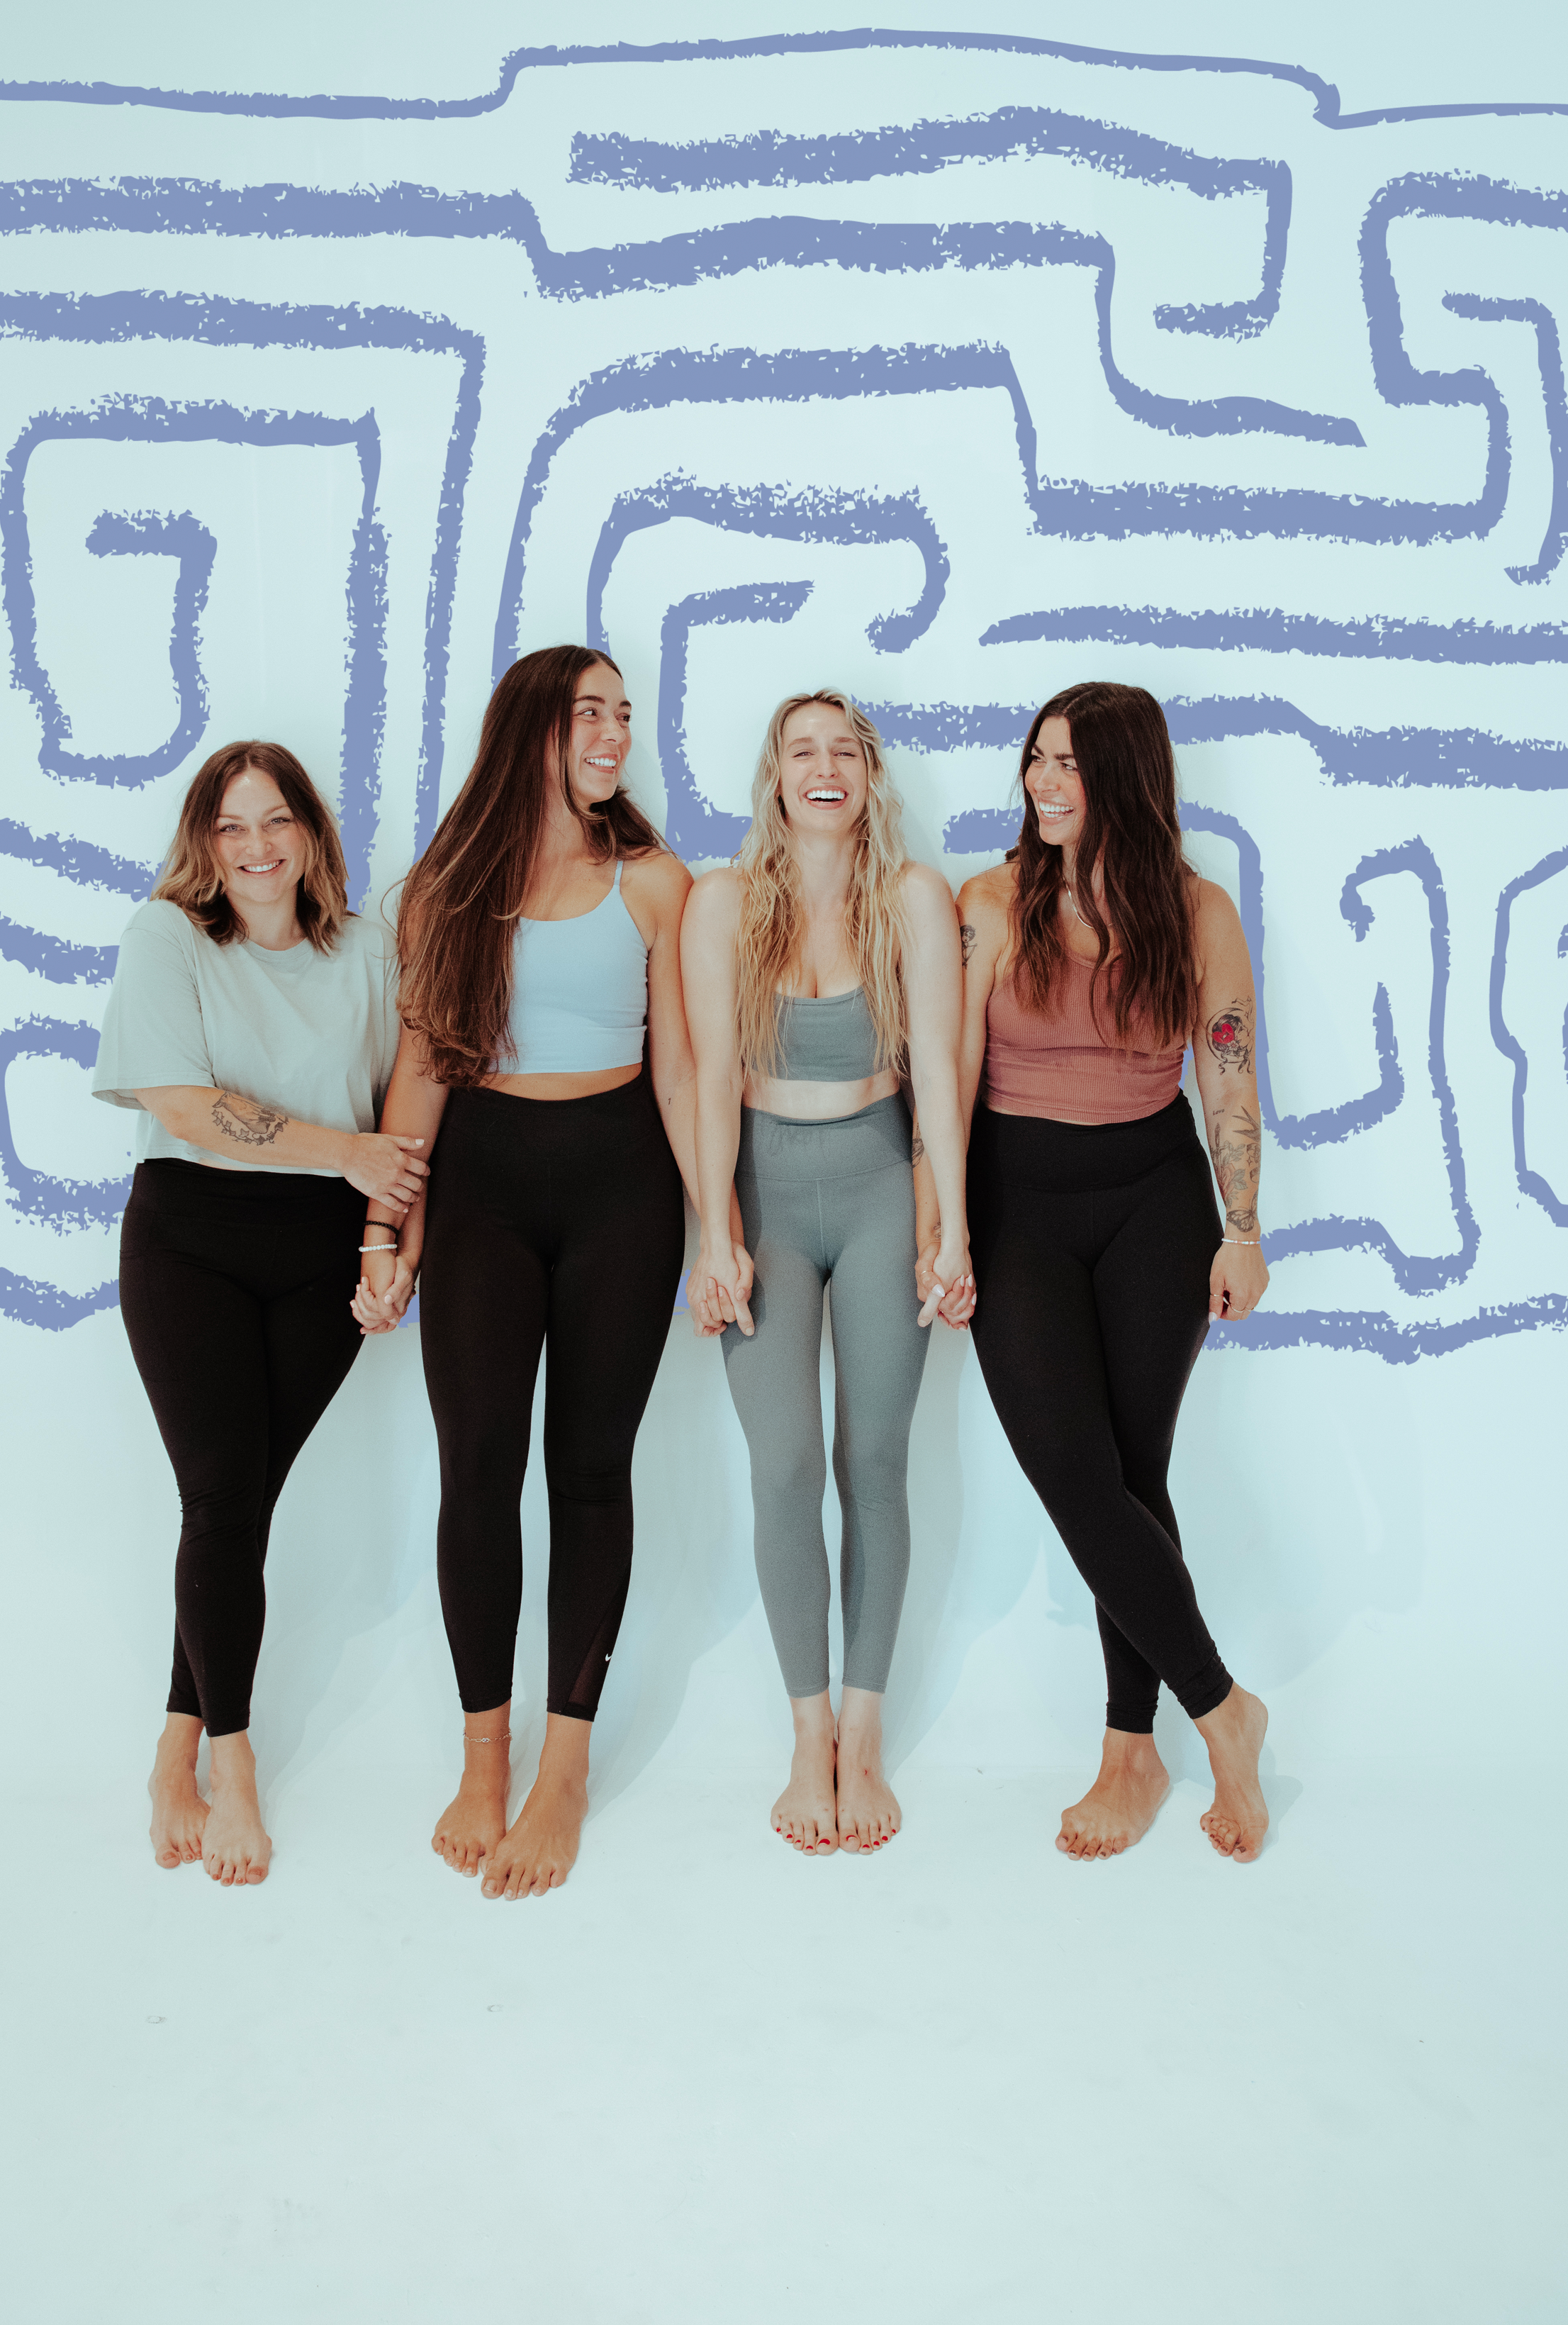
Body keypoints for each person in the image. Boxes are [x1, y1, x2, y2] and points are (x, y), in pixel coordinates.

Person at [352, 647, 703, 1902]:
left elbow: (681, 1074)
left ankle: (567, 1761)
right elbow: (425, 1070)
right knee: (479, 1464)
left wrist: (713, 1224)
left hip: (622, 1186)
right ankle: (483, 1756)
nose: (615, 732)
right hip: (488, 1184)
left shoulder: (658, 883)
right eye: (590, 712)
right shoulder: (449, 886)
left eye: (623, 713)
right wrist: (385, 1236)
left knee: (590, 1468)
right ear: (531, 731)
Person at [927, 681, 1270, 1863]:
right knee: (1076, 1472)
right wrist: (949, 1232)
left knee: (1135, 1471)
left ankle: (1133, 1746)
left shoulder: (1197, 911)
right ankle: (1224, 1709)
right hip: (1018, 1201)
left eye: (1070, 764)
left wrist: (1245, 1227)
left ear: (1127, 777)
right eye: (1037, 759)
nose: (1043, 783)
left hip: (1154, 1206)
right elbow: (949, 1090)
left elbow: (1227, 1072)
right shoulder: (988, 902)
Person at [94, 740, 421, 1886]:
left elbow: (405, 1116)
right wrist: (351, 1157)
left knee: (236, 1504)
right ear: (204, 842)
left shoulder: (367, 951)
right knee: (225, 1495)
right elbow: (184, 1104)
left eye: (276, 820)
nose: (257, 845)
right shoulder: (167, 937)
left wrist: (393, 1251)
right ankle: (233, 1765)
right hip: (191, 1239)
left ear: (313, 835)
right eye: (232, 827)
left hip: (320, 1252)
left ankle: (173, 1742)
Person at [681, 690, 971, 1858]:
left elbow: (939, 1076)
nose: (824, 767)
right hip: (764, 1193)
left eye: (844, 750)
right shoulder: (721, 903)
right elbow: (707, 1082)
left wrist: (947, 1227)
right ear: (774, 774)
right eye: (802, 750)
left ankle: (863, 1729)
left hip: (874, 1186)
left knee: (875, 1461)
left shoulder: (910, 896)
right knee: (787, 1462)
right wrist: (716, 1231)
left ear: (870, 776)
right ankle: (807, 1736)